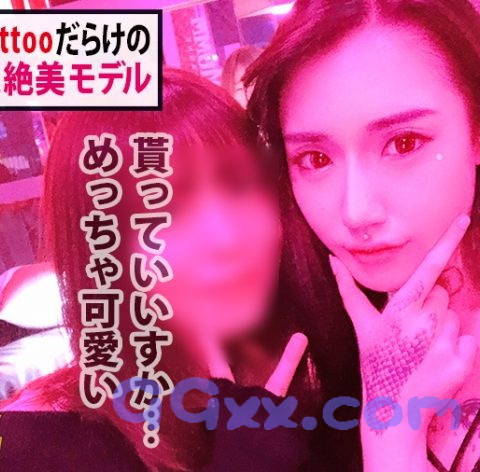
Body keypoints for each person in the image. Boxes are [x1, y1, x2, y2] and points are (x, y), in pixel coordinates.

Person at [0, 69, 318, 471]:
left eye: (241, 186)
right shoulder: (39, 444)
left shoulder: (324, 368)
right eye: (167, 212)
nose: (226, 238)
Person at [246, 0, 480, 470]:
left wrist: (390, 439)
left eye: (404, 143)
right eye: (315, 159)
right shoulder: (304, 347)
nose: (356, 212)